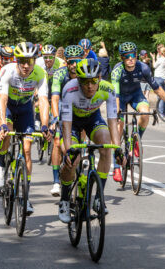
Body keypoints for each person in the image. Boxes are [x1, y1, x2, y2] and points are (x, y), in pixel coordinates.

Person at [57, 58, 124, 223]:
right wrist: (69, 150)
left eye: (94, 81)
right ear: (78, 80)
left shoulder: (107, 89)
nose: (90, 86)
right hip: (71, 122)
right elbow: (65, 124)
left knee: (106, 144)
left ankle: (98, 198)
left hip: (93, 119)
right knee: (72, 159)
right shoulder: (69, 89)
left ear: (99, 78)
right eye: (85, 81)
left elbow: (112, 120)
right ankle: (65, 200)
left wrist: (117, 149)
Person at [0, 42, 52, 215]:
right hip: (9, 108)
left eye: (30, 61)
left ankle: (25, 196)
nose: (26, 65)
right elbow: (2, 99)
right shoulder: (8, 71)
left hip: (25, 109)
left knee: (27, 149)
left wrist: (44, 125)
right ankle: (1, 164)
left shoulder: (40, 73)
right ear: (17, 60)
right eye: (23, 61)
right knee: (7, 134)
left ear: (35, 61)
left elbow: (43, 101)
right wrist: (2, 123)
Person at [110, 42, 165, 181]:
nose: (130, 58)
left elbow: (157, 89)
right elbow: (115, 95)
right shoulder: (117, 70)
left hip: (135, 95)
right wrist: (117, 112)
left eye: (133, 55)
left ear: (137, 55)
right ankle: (116, 167)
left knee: (145, 113)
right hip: (119, 97)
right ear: (122, 58)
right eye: (127, 56)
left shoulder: (143, 67)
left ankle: (136, 140)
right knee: (119, 127)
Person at [48, 45, 84, 197]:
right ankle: (56, 181)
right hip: (63, 104)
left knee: (80, 139)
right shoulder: (59, 74)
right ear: (66, 62)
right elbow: (55, 98)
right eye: (71, 62)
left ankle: (78, 165)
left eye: (77, 61)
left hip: (80, 105)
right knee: (57, 141)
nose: (74, 65)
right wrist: (56, 118)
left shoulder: (87, 72)